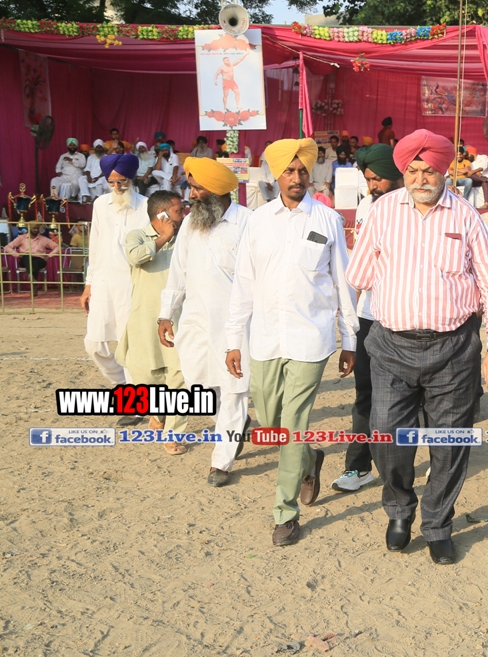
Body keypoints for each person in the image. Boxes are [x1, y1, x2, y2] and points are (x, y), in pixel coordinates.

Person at [345, 130, 488, 565]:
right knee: (386, 435)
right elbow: (357, 275)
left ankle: (438, 524)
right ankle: (399, 509)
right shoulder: (382, 211)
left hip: (453, 349)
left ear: (445, 173)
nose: (420, 179)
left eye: (429, 171)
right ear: (404, 171)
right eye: (413, 170)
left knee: (449, 443)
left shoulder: (467, 217)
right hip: (391, 347)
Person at [225, 139, 358, 547]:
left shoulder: (328, 220)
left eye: (302, 171)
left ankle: (285, 513)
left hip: (310, 338)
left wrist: (350, 337)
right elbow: (243, 284)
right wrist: (233, 339)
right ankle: (310, 458)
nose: (297, 178)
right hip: (264, 338)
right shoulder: (257, 221)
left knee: (293, 426)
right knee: (270, 423)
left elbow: (343, 282)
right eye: (289, 171)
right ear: (275, 176)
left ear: (310, 174)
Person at [159, 157, 254, 487]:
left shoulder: (247, 222)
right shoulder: (190, 223)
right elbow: (178, 271)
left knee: (233, 388)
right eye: (191, 187)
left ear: (217, 190)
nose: (191, 194)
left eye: (197, 188)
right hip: (195, 321)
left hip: (235, 325)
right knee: (199, 385)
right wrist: (165, 313)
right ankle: (236, 425)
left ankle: (221, 461)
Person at [331, 144, 403, 494]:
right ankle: (358, 467)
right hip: (369, 315)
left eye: (378, 179)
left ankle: (400, 470)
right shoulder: (366, 205)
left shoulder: (414, 208)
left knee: (404, 400)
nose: (372, 186)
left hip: (404, 318)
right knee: (365, 394)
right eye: (368, 179)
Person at [117, 190, 189, 455]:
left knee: (179, 375)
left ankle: (174, 433)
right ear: (162, 214)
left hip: (179, 319)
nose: (184, 215)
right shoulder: (135, 236)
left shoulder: (187, 238)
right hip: (143, 319)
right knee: (146, 376)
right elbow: (136, 257)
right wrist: (164, 238)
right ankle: (157, 413)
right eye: (178, 211)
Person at [81, 153, 150, 422]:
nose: (117, 187)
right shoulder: (100, 204)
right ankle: (123, 386)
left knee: (128, 345)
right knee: (94, 344)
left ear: (132, 179)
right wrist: (89, 284)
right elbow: (94, 246)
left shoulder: (146, 206)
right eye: (111, 182)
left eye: (121, 182)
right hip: (102, 283)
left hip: (132, 286)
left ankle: (135, 403)